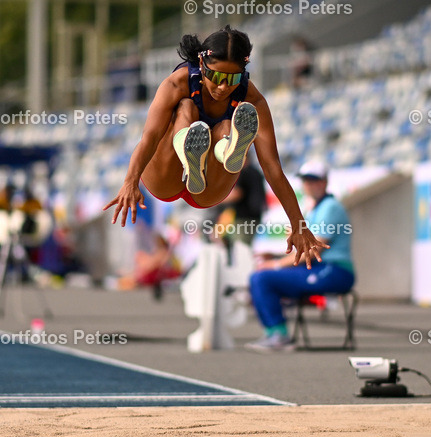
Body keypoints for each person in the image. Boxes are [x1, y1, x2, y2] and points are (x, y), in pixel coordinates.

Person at [105, 25, 327, 268]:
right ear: (202, 65)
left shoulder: (252, 100)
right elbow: (148, 138)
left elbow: (273, 168)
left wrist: (299, 225)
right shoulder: (176, 83)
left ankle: (226, 150)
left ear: (243, 73)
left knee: (228, 123)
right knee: (187, 107)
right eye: (216, 77)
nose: (223, 87)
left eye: (232, 79)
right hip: (164, 178)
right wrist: (130, 181)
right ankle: (189, 148)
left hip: (209, 186)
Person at [246, 160, 354, 352]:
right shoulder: (314, 208)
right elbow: (306, 250)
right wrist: (275, 256)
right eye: (305, 180)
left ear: (324, 182)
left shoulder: (330, 207)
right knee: (260, 277)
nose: (308, 184)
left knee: (262, 277)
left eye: (313, 180)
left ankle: (278, 334)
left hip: (334, 270)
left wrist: (276, 264)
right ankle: (274, 332)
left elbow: (313, 251)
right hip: (321, 268)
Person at [214, 151, 266, 246]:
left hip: (243, 218)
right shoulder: (256, 172)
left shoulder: (243, 172)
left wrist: (216, 200)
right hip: (255, 216)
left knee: (241, 247)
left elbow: (237, 194)